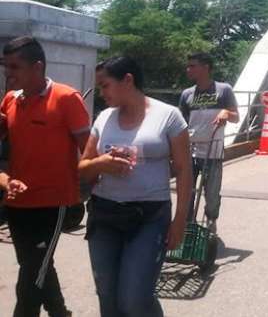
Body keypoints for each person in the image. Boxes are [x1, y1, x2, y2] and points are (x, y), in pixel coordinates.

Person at [78, 56, 191, 317]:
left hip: (149, 218)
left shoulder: (168, 116)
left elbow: (185, 170)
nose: (101, 93)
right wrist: (101, 164)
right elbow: (82, 168)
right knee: (108, 299)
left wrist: (180, 221)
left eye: (105, 85)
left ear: (127, 80)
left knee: (134, 300)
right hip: (105, 215)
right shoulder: (104, 118)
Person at [0, 36, 90, 317]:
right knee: (37, 267)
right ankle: (61, 314)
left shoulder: (66, 98)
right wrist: (5, 181)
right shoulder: (10, 101)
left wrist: (88, 191)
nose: (8, 73)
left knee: (29, 281)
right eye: (6, 66)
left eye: (15, 67)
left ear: (37, 67)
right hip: (17, 205)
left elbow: (88, 152)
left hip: (54, 204)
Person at [179, 52, 239, 231]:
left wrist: (227, 113)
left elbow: (236, 117)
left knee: (211, 194)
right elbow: (180, 125)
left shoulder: (224, 90)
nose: (188, 69)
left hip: (213, 151)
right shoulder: (186, 94)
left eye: (193, 66)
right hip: (189, 151)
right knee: (187, 192)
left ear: (206, 67)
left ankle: (211, 221)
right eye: (188, 65)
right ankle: (189, 227)